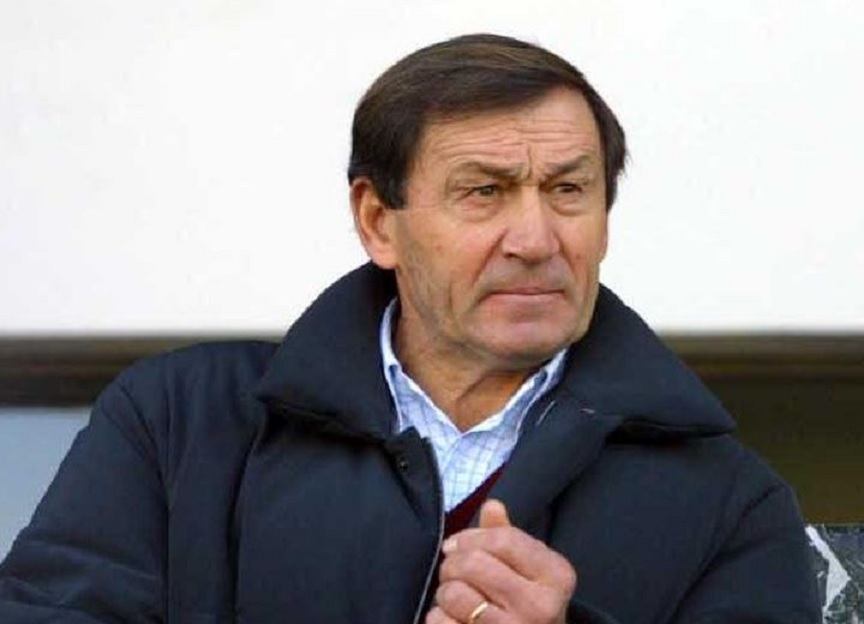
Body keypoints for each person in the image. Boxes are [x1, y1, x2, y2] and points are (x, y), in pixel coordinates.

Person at [0, 33, 819, 623]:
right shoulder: (178, 422)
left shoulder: (732, 504)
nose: (537, 239)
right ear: (377, 222)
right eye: (484, 192)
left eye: (569, 190)